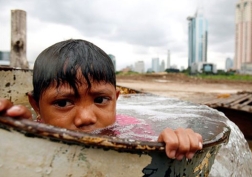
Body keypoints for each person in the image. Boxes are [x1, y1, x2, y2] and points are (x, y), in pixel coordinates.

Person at [0, 39, 202, 160]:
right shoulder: (31, 125)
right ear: (36, 105)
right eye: (63, 103)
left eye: (100, 100)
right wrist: (19, 134)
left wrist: (174, 141)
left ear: (116, 99)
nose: (86, 118)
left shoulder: (133, 128)